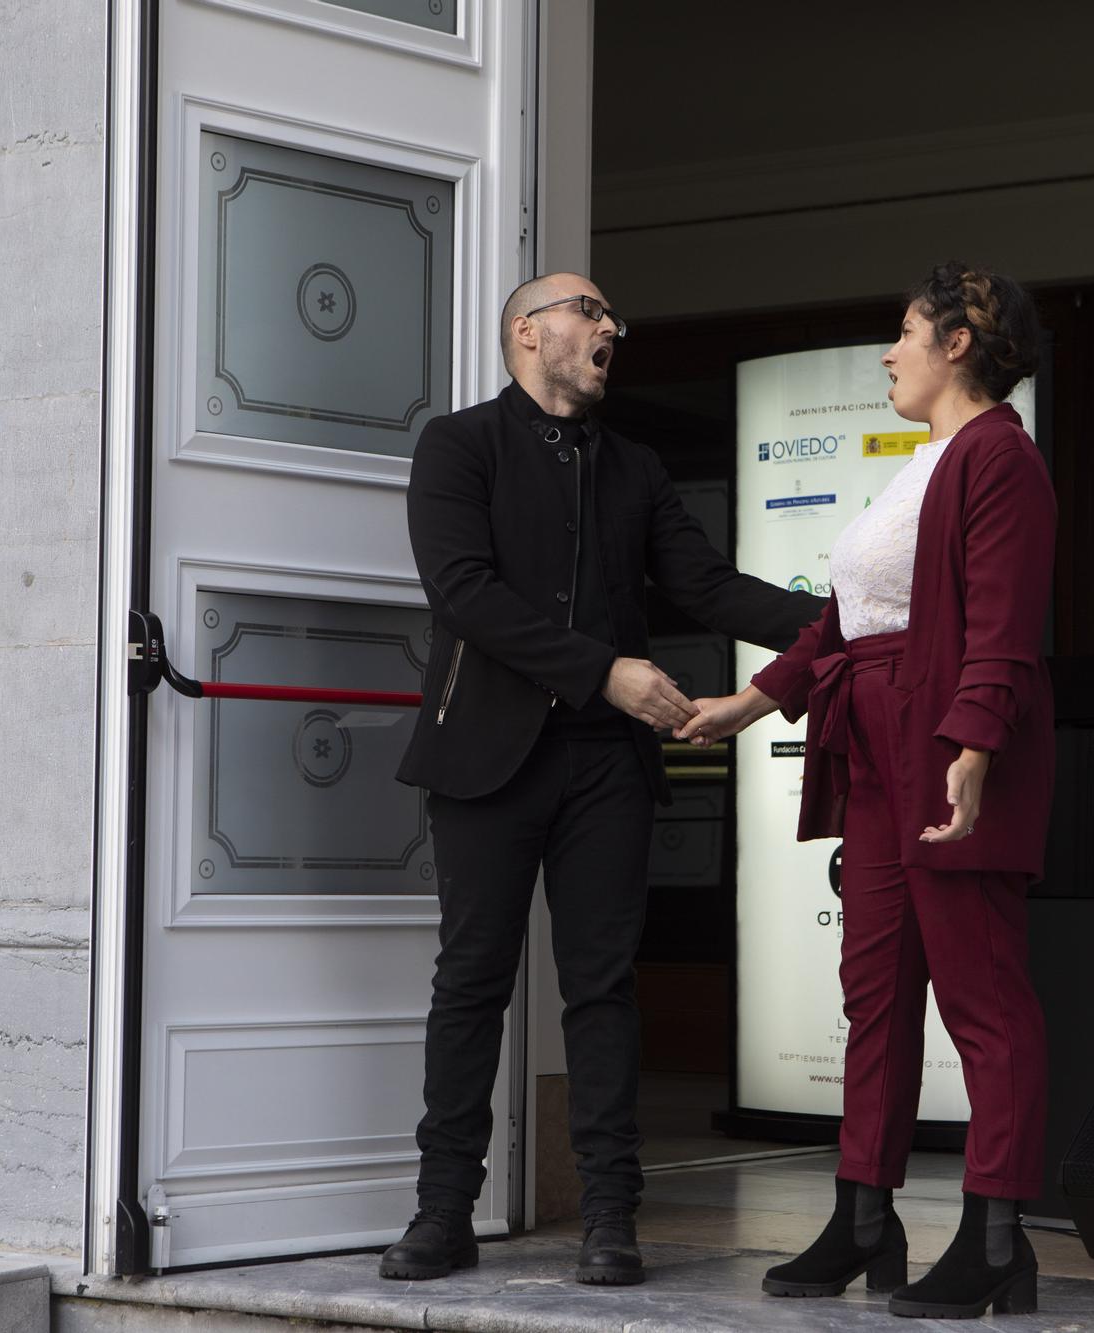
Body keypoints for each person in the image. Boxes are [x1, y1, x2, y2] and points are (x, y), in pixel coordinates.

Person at [382, 273, 824, 1287]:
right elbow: (463, 593)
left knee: (600, 988)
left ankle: (608, 1218)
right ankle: (441, 1209)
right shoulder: (457, 446)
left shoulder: (634, 466)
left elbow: (704, 584)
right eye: (588, 311)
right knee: (472, 981)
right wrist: (604, 670)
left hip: (603, 769)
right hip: (486, 758)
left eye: (611, 318)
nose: (608, 329)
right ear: (526, 331)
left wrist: (836, 623)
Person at [679, 262, 1055, 1320]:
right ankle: (861, 1217)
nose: (886, 354)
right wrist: (748, 703)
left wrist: (972, 746)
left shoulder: (1000, 459)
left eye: (900, 334)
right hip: (878, 738)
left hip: (942, 737)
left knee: (980, 996)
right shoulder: (922, 463)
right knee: (874, 991)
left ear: (955, 346)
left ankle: (995, 1238)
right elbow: (842, 619)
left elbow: (1002, 622)